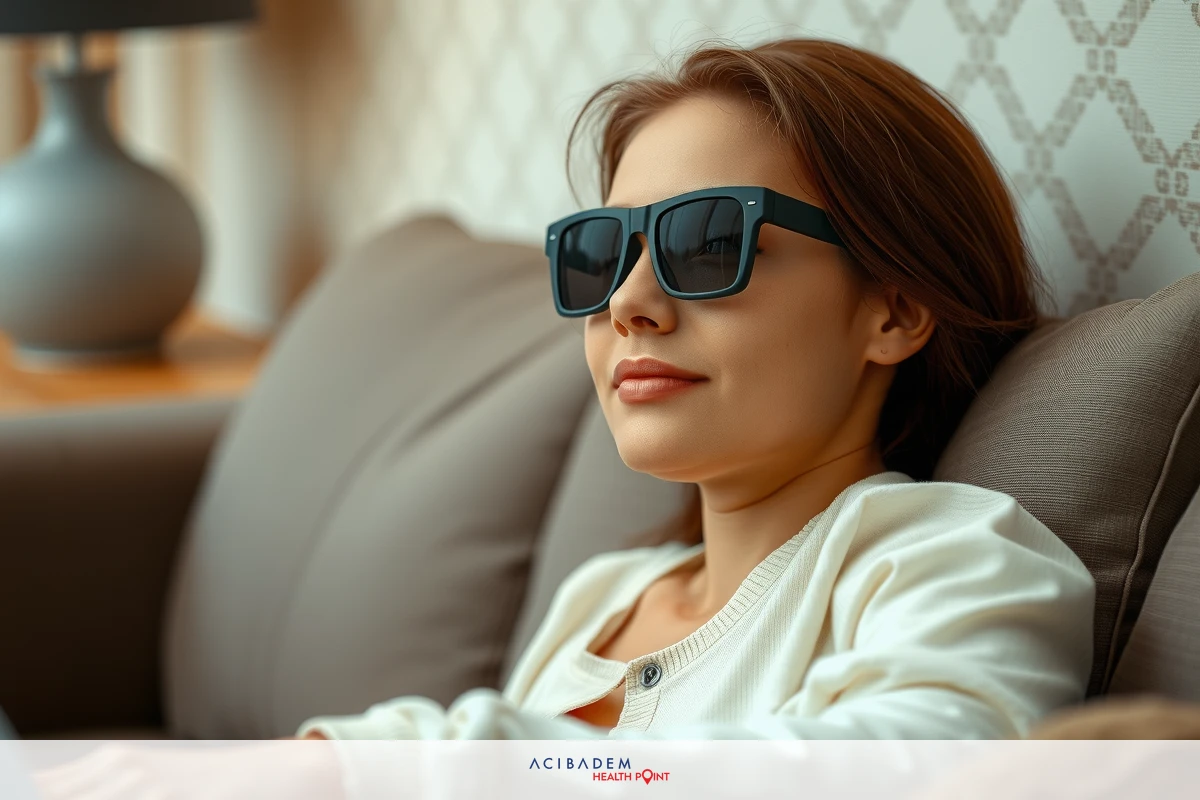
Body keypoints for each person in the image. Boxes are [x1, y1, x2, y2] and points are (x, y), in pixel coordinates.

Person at [292, 35, 1095, 742]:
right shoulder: (600, 595)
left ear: (895, 309)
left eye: (709, 243)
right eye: (600, 253)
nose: (627, 302)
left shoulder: (956, 563)